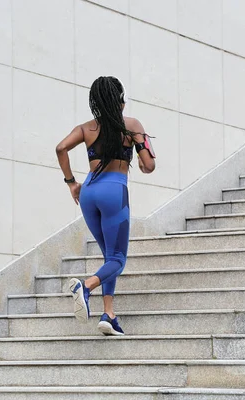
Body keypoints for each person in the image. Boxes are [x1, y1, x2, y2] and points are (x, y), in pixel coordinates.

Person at [55, 76, 156, 336]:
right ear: (119, 100)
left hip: (88, 193)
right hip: (114, 192)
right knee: (118, 259)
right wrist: (142, 155)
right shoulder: (131, 125)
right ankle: (86, 287)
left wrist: (71, 183)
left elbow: (60, 148)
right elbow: (149, 165)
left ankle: (108, 315)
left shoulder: (86, 128)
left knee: (109, 255)